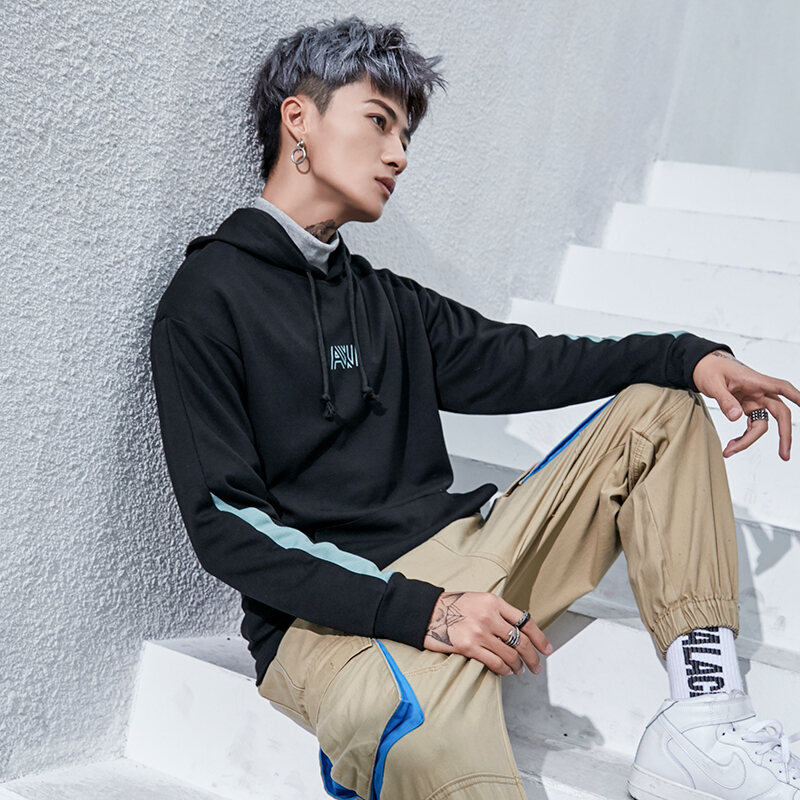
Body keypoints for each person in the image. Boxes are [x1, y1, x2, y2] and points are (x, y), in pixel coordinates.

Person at [148, 15, 800, 800]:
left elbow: (529, 361)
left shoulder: (389, 304)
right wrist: (419, 611)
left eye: (406, 134)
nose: (399, 154)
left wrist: (688, 354)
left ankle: (704, 719)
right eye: (379, 121)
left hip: (474, 556)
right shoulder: (207, 300)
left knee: (660, 411)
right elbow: (226, 524)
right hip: (329, 623)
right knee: (423, 738)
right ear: (299, 120)